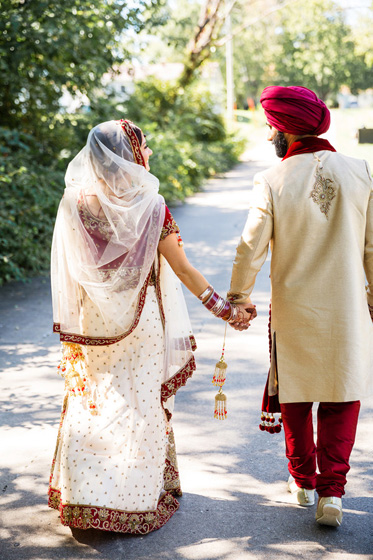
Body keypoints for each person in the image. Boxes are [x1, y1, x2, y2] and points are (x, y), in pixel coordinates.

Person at [48, 118, 254, 534]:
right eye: (144, 145)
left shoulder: (75, 201)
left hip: (92, 322)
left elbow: (71, 271)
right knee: (137, 404)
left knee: (95, 401)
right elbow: (184, 270)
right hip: (141, 323)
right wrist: (226, 312)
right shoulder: (150, 206)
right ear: (129, 154)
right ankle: (131, 500)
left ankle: (85, 499)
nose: (150, 152)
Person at [227, 86, 373, 527]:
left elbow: (250, 247)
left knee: (295, 394)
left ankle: (304, 483)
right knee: (341, 394)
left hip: (294, 310)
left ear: (285, 129)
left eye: (272, 126)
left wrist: (239, 298)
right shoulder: (360, 171)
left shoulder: (272, 180)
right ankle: (333, 493)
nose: (270, 133)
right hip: (348, 309)